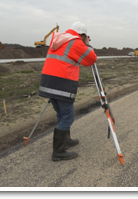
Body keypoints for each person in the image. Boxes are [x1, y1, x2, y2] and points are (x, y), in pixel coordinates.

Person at [39, 21, 97, 161]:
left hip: (48, 82)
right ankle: (58, 152)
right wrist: (87, 44)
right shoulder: (75, 42)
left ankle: (66, 141)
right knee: (68, 117)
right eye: (86, 37)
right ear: (82, 35)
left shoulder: (58, 39)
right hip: (62, 84)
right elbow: (91, 59)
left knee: (61, 114)